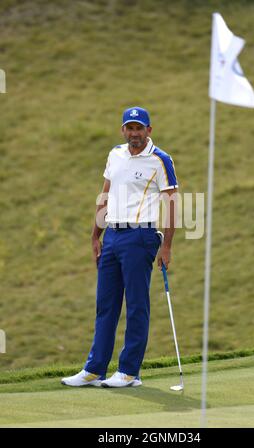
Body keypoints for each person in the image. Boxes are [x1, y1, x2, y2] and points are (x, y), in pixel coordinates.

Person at [61, 106, 178, 388]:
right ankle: (94, 369)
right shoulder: (115, 154)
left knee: (137, 305)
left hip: (141, 237)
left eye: (140, 128)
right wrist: (95, 235)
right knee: (106, 305)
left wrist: (167, 247)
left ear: (149, 130)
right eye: (130, 128)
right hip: (111, 235)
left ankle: (129, 372)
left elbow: (172, 204)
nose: (134, 133)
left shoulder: (160, 160)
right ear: (123, 130)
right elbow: (105, 194)